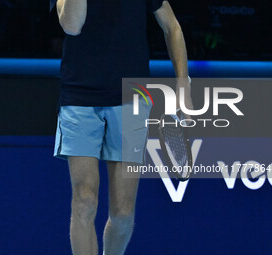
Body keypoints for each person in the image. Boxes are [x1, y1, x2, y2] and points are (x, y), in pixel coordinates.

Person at [53, 0, 193, 254]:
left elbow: (172, 27)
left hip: (132, 98)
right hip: (79, 96)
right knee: (84, 199)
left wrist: (183, 85)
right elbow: (72, 25)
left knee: (123, 213)